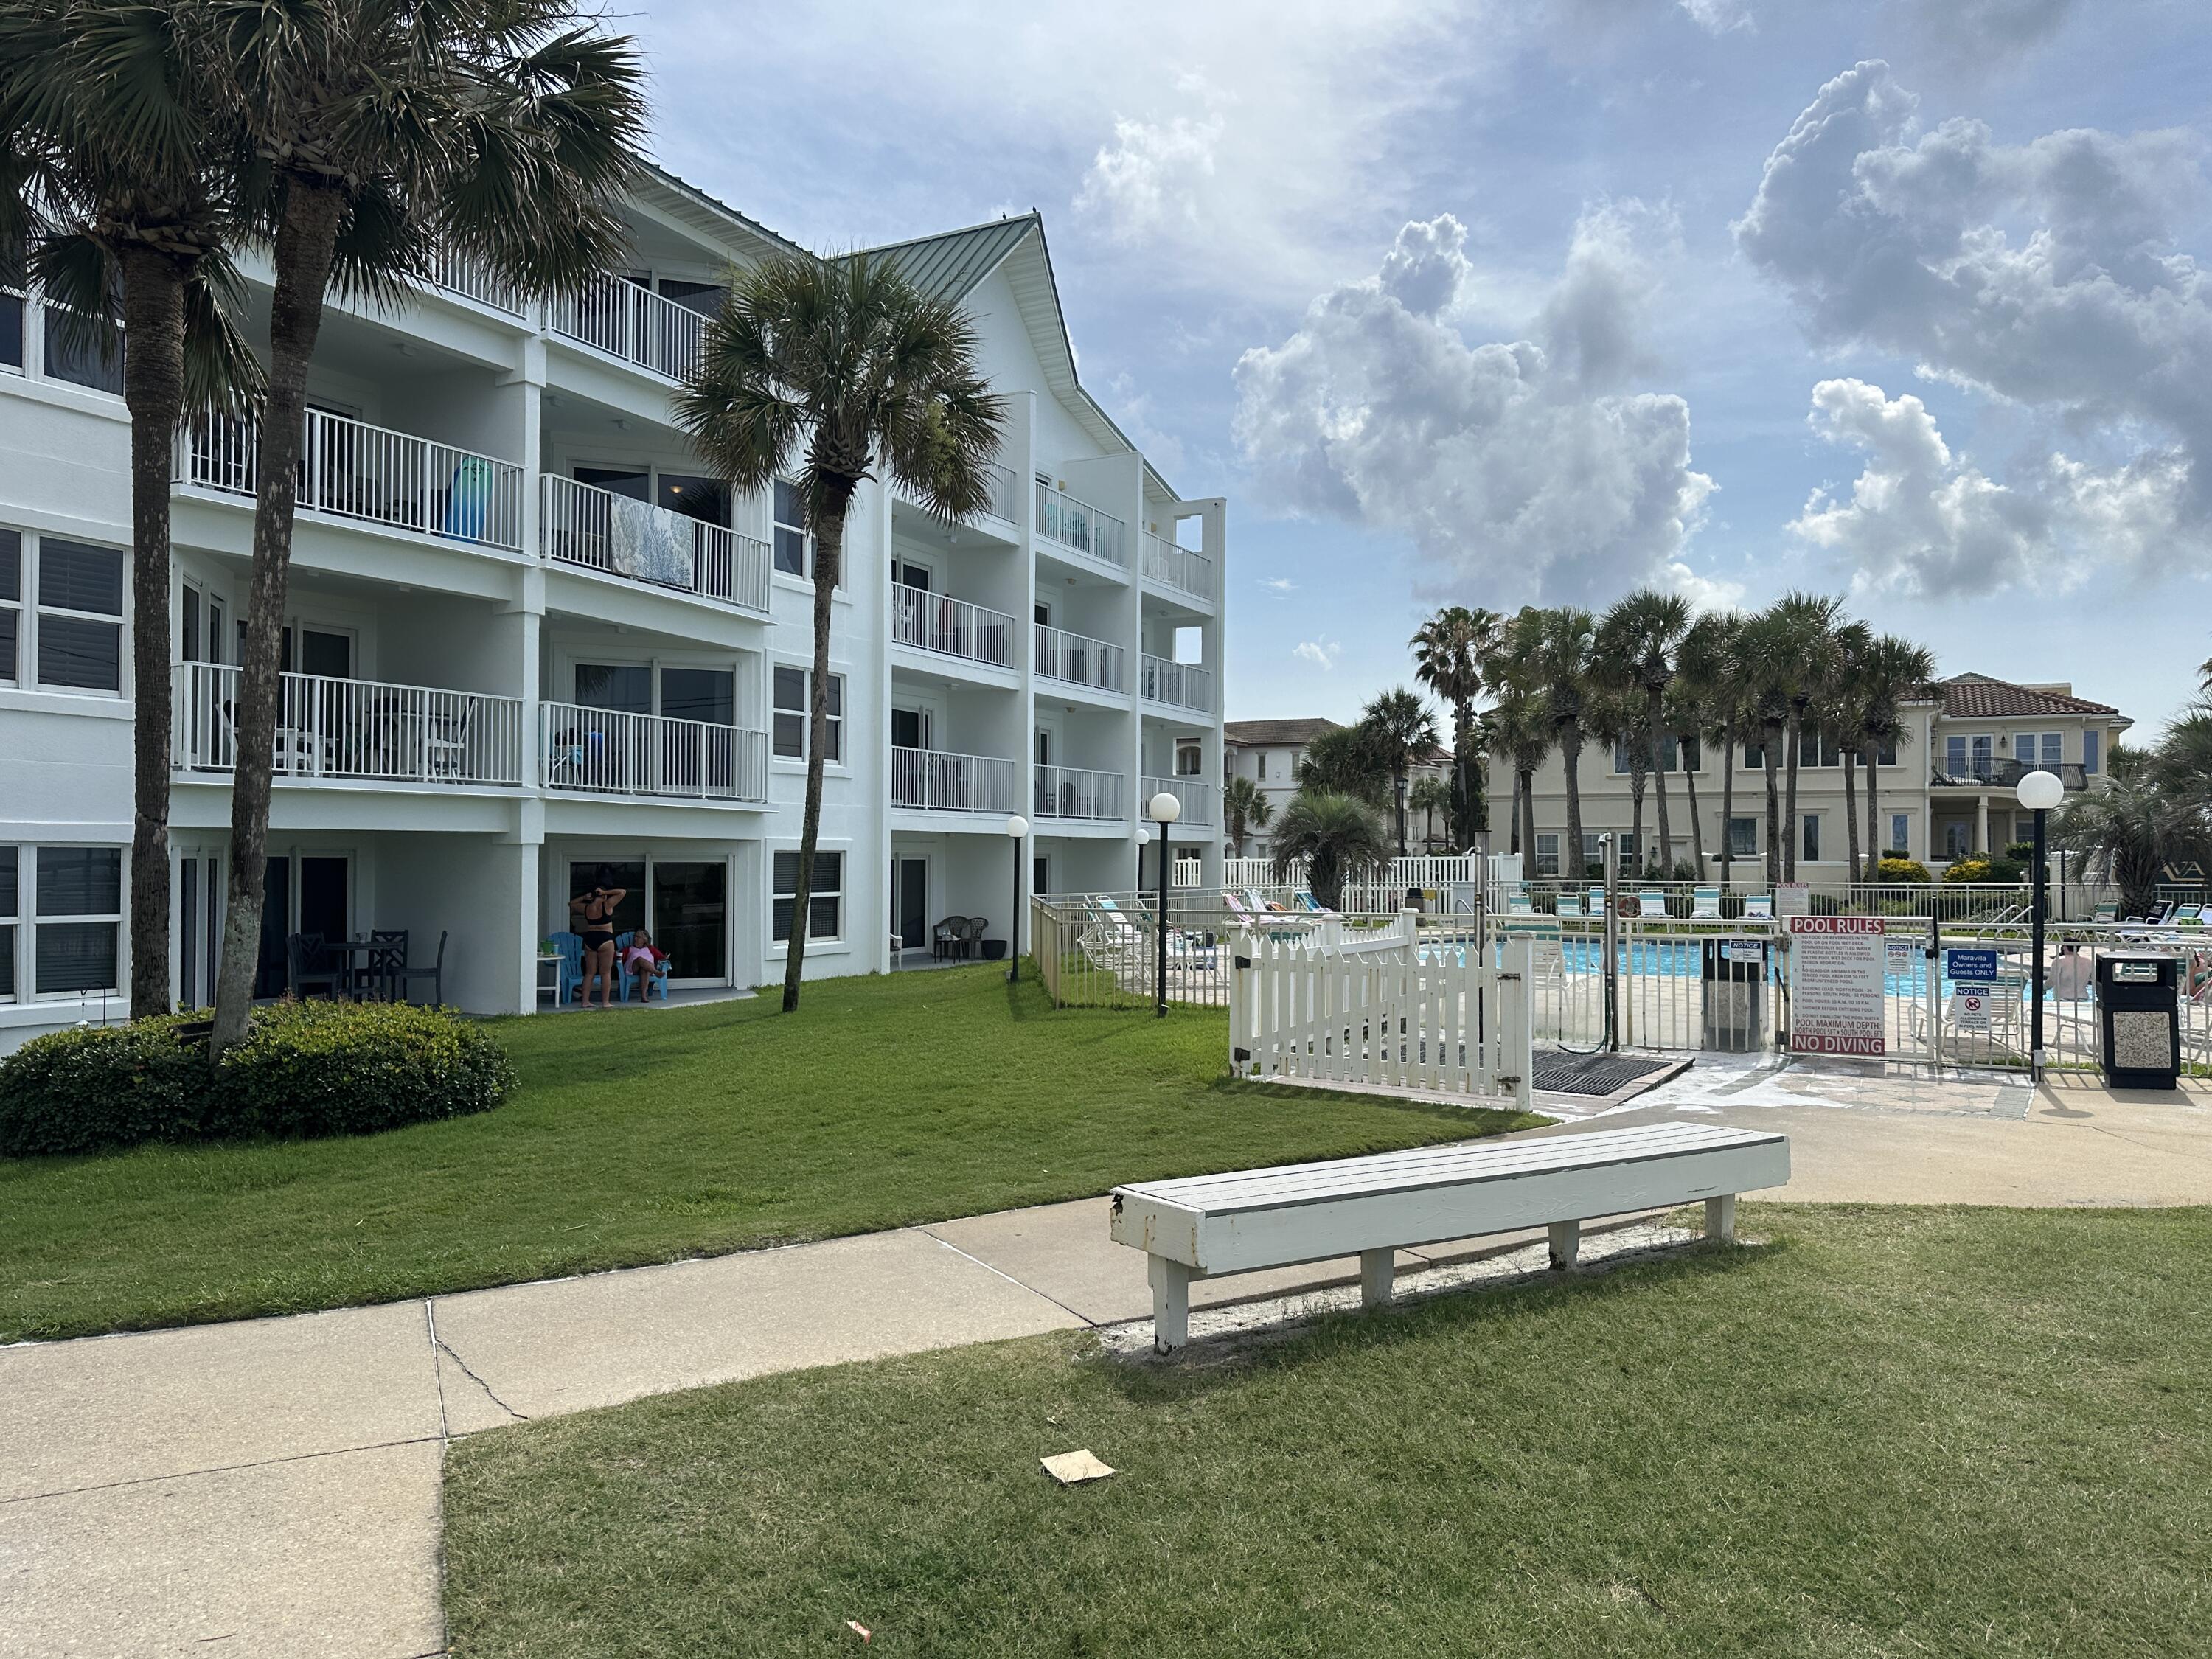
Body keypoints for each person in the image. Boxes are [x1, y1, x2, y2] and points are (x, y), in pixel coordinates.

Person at [569, 866, 626, 1009]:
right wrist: (605, 892)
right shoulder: (607, 905)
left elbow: (571, 904)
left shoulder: (587, 908)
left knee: (589, 972)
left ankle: (585, 1001)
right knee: (605, 972)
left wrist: (584, 897)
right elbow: (622, 892)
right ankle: (605, 1002)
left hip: (590, 939)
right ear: (603, 895)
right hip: (605, 939)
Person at [622, 928, 670, 998]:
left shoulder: (651, 949)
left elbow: (661, 957)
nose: (635, 939)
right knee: (640, 959)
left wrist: (665, 958)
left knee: (645, 970)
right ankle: (656, 972)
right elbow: (619, 957)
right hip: (633, 969)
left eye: (638, 937)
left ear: (645, 939)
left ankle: (644, 996)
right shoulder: (628, 949)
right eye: (635, 936)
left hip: (648, 970)